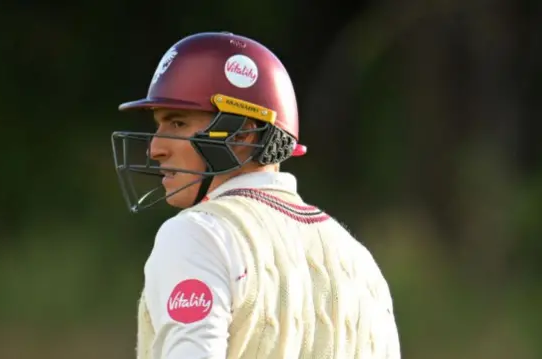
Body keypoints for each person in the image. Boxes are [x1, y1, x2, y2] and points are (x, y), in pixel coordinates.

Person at [111, 31, 401, 359]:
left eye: (177, 123)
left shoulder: (199, 234)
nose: (155, 148)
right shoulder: (360, 262)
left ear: (243, 133)